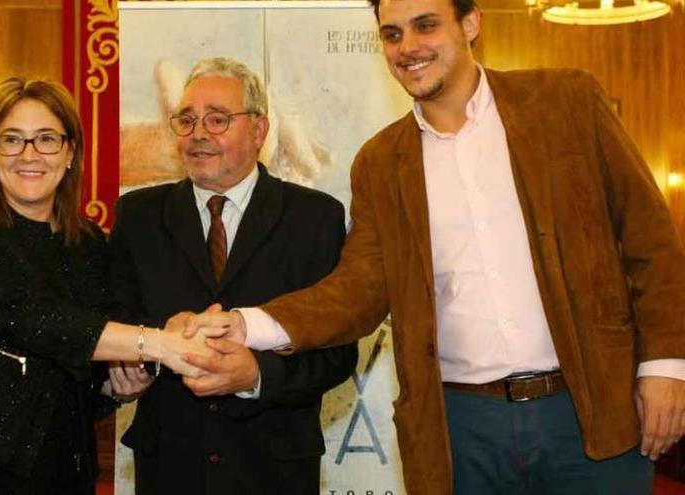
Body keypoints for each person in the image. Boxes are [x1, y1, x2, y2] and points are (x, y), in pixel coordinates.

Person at [183, 1, 685, 494]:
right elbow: (356, 290)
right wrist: (247, 324)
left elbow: (650, 238)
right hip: (458, 429)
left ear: (470, 23)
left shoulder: (565, 101)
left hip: (591, 409)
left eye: (426, 26)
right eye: (393, 33)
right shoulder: (380, 163)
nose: (408, 47)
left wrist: (665, 366)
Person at [0, 77, 213, 495]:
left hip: (62, 468)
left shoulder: (90, 244)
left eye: (46, 139)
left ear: (70, 154)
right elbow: (32, 318)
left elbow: (83, 370)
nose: (30, 154)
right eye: (12, 140)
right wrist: (157, 344)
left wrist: (117, 384)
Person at [109, 57, 358, 495]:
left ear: (259, 131)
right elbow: (115, 326)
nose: (198, 133)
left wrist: (258, 375)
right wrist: (130, 366)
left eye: (217, 119)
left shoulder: (315, 218)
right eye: (186, 120)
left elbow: (336, 353)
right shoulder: (138, 216)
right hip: (170, 465)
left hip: (275, 469)